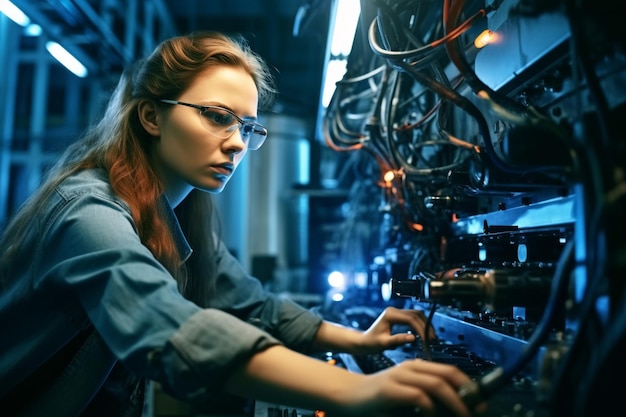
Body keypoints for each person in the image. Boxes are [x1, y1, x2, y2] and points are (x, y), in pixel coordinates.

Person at [0, 31, 481, 417]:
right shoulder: (87, 210)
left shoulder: (182, 215)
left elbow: (252, 305)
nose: (235, 144)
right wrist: (355, 391)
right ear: (150, 116)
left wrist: (359, 340)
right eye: (216, 117)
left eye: (247, 127)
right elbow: (167, 328)